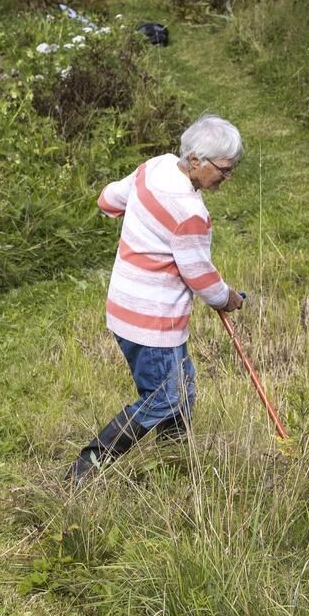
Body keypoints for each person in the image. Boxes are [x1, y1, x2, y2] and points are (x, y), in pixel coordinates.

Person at [65, 114, 245, 485]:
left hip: (124, 311)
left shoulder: (156, 167)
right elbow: (200, 277)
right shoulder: (191, 213)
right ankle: (85, 468)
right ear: (195, 160)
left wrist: (125, 211)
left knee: (182, 384)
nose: (228, 178)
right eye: (224, 170)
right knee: (163, 397)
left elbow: (109, 198)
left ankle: (173, 465)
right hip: (154, 324)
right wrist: (227, 298)